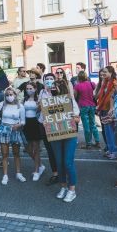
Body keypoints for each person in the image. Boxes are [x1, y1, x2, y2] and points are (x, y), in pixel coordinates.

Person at [39, 74, 81, 202]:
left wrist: (70, 117)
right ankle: (63, 187)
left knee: (68, 162)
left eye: (54, 86)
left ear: (60, 88)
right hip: (56, 134)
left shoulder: (70, 101)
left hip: (69, 135)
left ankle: (72, 190)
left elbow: (77, 119)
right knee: (59, 162)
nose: (52, 87)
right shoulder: (47, 101)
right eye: (50, 86)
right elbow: (42, 119)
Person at [0, 86, 27, 185]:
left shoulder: (20, 106)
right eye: (7, 95)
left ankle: (18, 173)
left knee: (16, 153)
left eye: (11, 94)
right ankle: (5, 175)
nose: (9, 96)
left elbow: (23, 121)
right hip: (4, 129)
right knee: (4, 154)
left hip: (15, 130)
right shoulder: (3, 104)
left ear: (15, 95)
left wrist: (19, 125)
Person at [38, 73, 60, 185]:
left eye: (51, 79)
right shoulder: (42, 92)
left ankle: (62, 172)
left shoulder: (58, 91)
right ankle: (55, 174)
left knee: (58, 149)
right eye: (47, 79)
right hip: (43, 123)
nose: (49, 80)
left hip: (55, 124)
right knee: (49, 150)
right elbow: (39, 107)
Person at [22, 81, 44, 181]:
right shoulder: (24, 99)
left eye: (31, 88)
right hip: (26, 124)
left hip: (36, 123)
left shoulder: (39, 99)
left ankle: (36, 171)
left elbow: (41, 111)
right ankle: (40, 165)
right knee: (27, 148)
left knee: (36, 148)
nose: (29, 90)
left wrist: (40, 105)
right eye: (27, 89)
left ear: (35, 89)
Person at [95, 66, 117, 159]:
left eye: (105, 72)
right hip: (103, 108)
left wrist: (112, 108)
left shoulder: (115, 82)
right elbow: (99, 96)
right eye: (102, 72)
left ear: (111, 73)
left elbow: (114, 96)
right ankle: (111, 149)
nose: (102, 74)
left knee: (111, 132)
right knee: (107, 132)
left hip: (110, 110)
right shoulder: (105, 82)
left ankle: (115, 151)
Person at [74, 70, 100, 148]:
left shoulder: (77, 86)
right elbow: (95, 92)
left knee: (86, 125)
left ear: (78, 77)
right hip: (92, 106)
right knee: (93, 124)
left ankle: (88, 143)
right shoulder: (92, 84)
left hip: (83, 106)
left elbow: (75, 96)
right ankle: (97, 141)